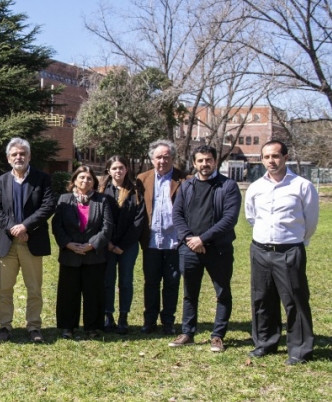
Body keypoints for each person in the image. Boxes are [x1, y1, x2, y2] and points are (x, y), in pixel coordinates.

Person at [245, 140, 319, 365]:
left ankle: (299, 350)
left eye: (275, 156)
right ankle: (265, 343)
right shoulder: (255, 187)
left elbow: (311, 221)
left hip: (289, 251)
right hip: (260, 250)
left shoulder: (302, 186)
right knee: (261, 298)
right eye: (266, 157)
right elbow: (251, 216)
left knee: (294, 300)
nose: (271, 161)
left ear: (285, 157)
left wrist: (295, 241)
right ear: (262, 159)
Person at [169, 146, 241, 352]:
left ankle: (218, 336)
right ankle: (187, 333)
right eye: (200, 160)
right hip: (190, 249)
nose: (204, 164)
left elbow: (229, 219)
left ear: (215, 161)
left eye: (208, 160)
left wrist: (203, 239)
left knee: (222, 293)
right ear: (194, 163)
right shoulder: (186, 186)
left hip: (218, 249)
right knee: (190, 293)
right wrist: (190, 239)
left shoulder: (228, 186)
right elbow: (177, 215)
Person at [0, 138, 55, 343]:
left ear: (29, 156)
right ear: (8, 158)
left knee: (34, 288)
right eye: (14, 154)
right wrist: (13, 228)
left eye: (22, 154)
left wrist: (25, 226)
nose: (19, 157)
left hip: (32, 242)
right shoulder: (1, 180)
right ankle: (4, 326)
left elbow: (48, 206)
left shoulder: (41, 178)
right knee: (5, 289)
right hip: (7, 243)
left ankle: (34, 327)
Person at [52, 166, 113, 339]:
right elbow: (57, 225)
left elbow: (107, 227)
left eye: (89, 178)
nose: (85, 181)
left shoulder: (102, 200)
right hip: (70, 254)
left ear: (94, 182)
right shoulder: (64, 199)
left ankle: (92, 327)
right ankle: (68, 327)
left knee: (93, 293)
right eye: (81, 177)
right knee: (68, 292)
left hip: (94, 255)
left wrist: (92, 245)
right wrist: (68, 244)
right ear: (74, 180)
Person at [136, 140, 187, 335]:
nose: (162, 161)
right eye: (158, 157)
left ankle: (168, 321)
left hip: (175, 241)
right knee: (151, 282)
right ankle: (149, 320)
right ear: (152, 159)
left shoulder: (184, 179)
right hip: (151, 241)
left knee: (172, 283)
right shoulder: (143, 179)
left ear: (173, 158)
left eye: (166, 157)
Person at [98, 156, 145, 334]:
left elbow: (138, 221)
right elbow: (99, 219)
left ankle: (123, 316)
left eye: (121, 168)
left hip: (128, 246)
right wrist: (108, 242)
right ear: (108, 171)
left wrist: (123, 245)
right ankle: (108, 315)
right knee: (107, 281)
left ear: (126, 169)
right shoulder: (102, 191)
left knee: (126, 281)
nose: (118, 171)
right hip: (107, 245)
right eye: (114, 168)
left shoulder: (136, 191)